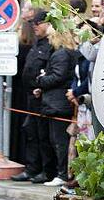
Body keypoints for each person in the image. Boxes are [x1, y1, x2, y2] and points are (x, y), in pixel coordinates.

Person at [35, 27, 84, 187]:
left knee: (58, 140)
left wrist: (41, 80)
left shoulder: (61, 54)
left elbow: (58, 76)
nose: (48, 39)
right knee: (59, 140)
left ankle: (62, 173)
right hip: (59, 102)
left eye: (51, 36)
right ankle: (62, 172)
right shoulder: (69, 53)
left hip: (57, 103)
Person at [11, 11, 56, 184]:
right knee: (31, 132)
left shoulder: (51, 45)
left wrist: (40, 86)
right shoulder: (37, 43)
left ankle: (46, 171)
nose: (35, 27)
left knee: (43, 136)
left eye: (39, 23)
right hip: (30, 95)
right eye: (33, 24)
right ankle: (32, 168)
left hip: (42, 96)